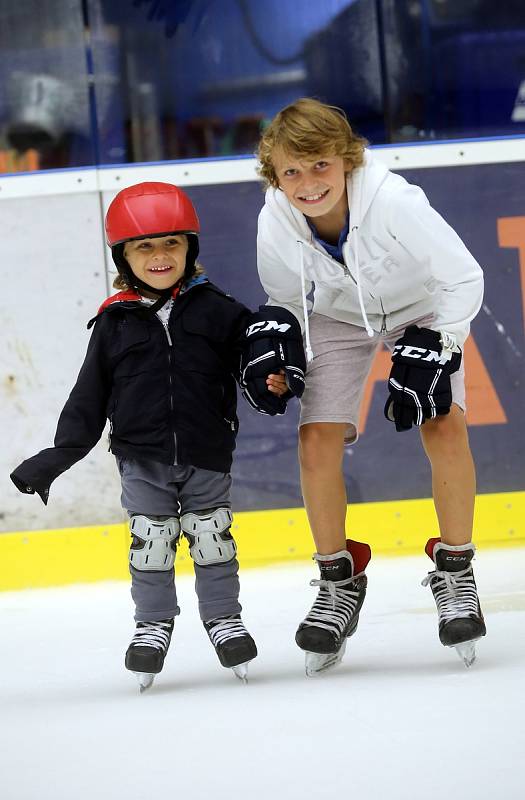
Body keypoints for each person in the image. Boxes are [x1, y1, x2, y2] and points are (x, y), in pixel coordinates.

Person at [10, 181, 305, 691]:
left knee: (212, 539)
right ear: (122, 256)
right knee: (153, 543)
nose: (160, 255)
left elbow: (255, 371)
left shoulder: (220, 311)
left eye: (172, 242)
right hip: (141, 458)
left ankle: (223, 619)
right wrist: (54, 458)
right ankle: (152, 625)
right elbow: (88, 398)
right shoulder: (114, 323)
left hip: (207, 453)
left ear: (191, 247)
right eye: (144, 246)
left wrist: (275, 384)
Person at [256, 98, 486, 675]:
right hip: (338, 314)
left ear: (347, 159)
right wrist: (287, 352)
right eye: (291, 172)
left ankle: (456, 570)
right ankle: (339, 580)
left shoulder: (393, 202)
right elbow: (285, 301)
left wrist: (443, 342)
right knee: (315, 442)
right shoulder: (274, 220)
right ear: (274, 175)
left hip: (421, 309)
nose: (308, 184)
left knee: (443, 422)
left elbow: (463, 276)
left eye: (320, 166)